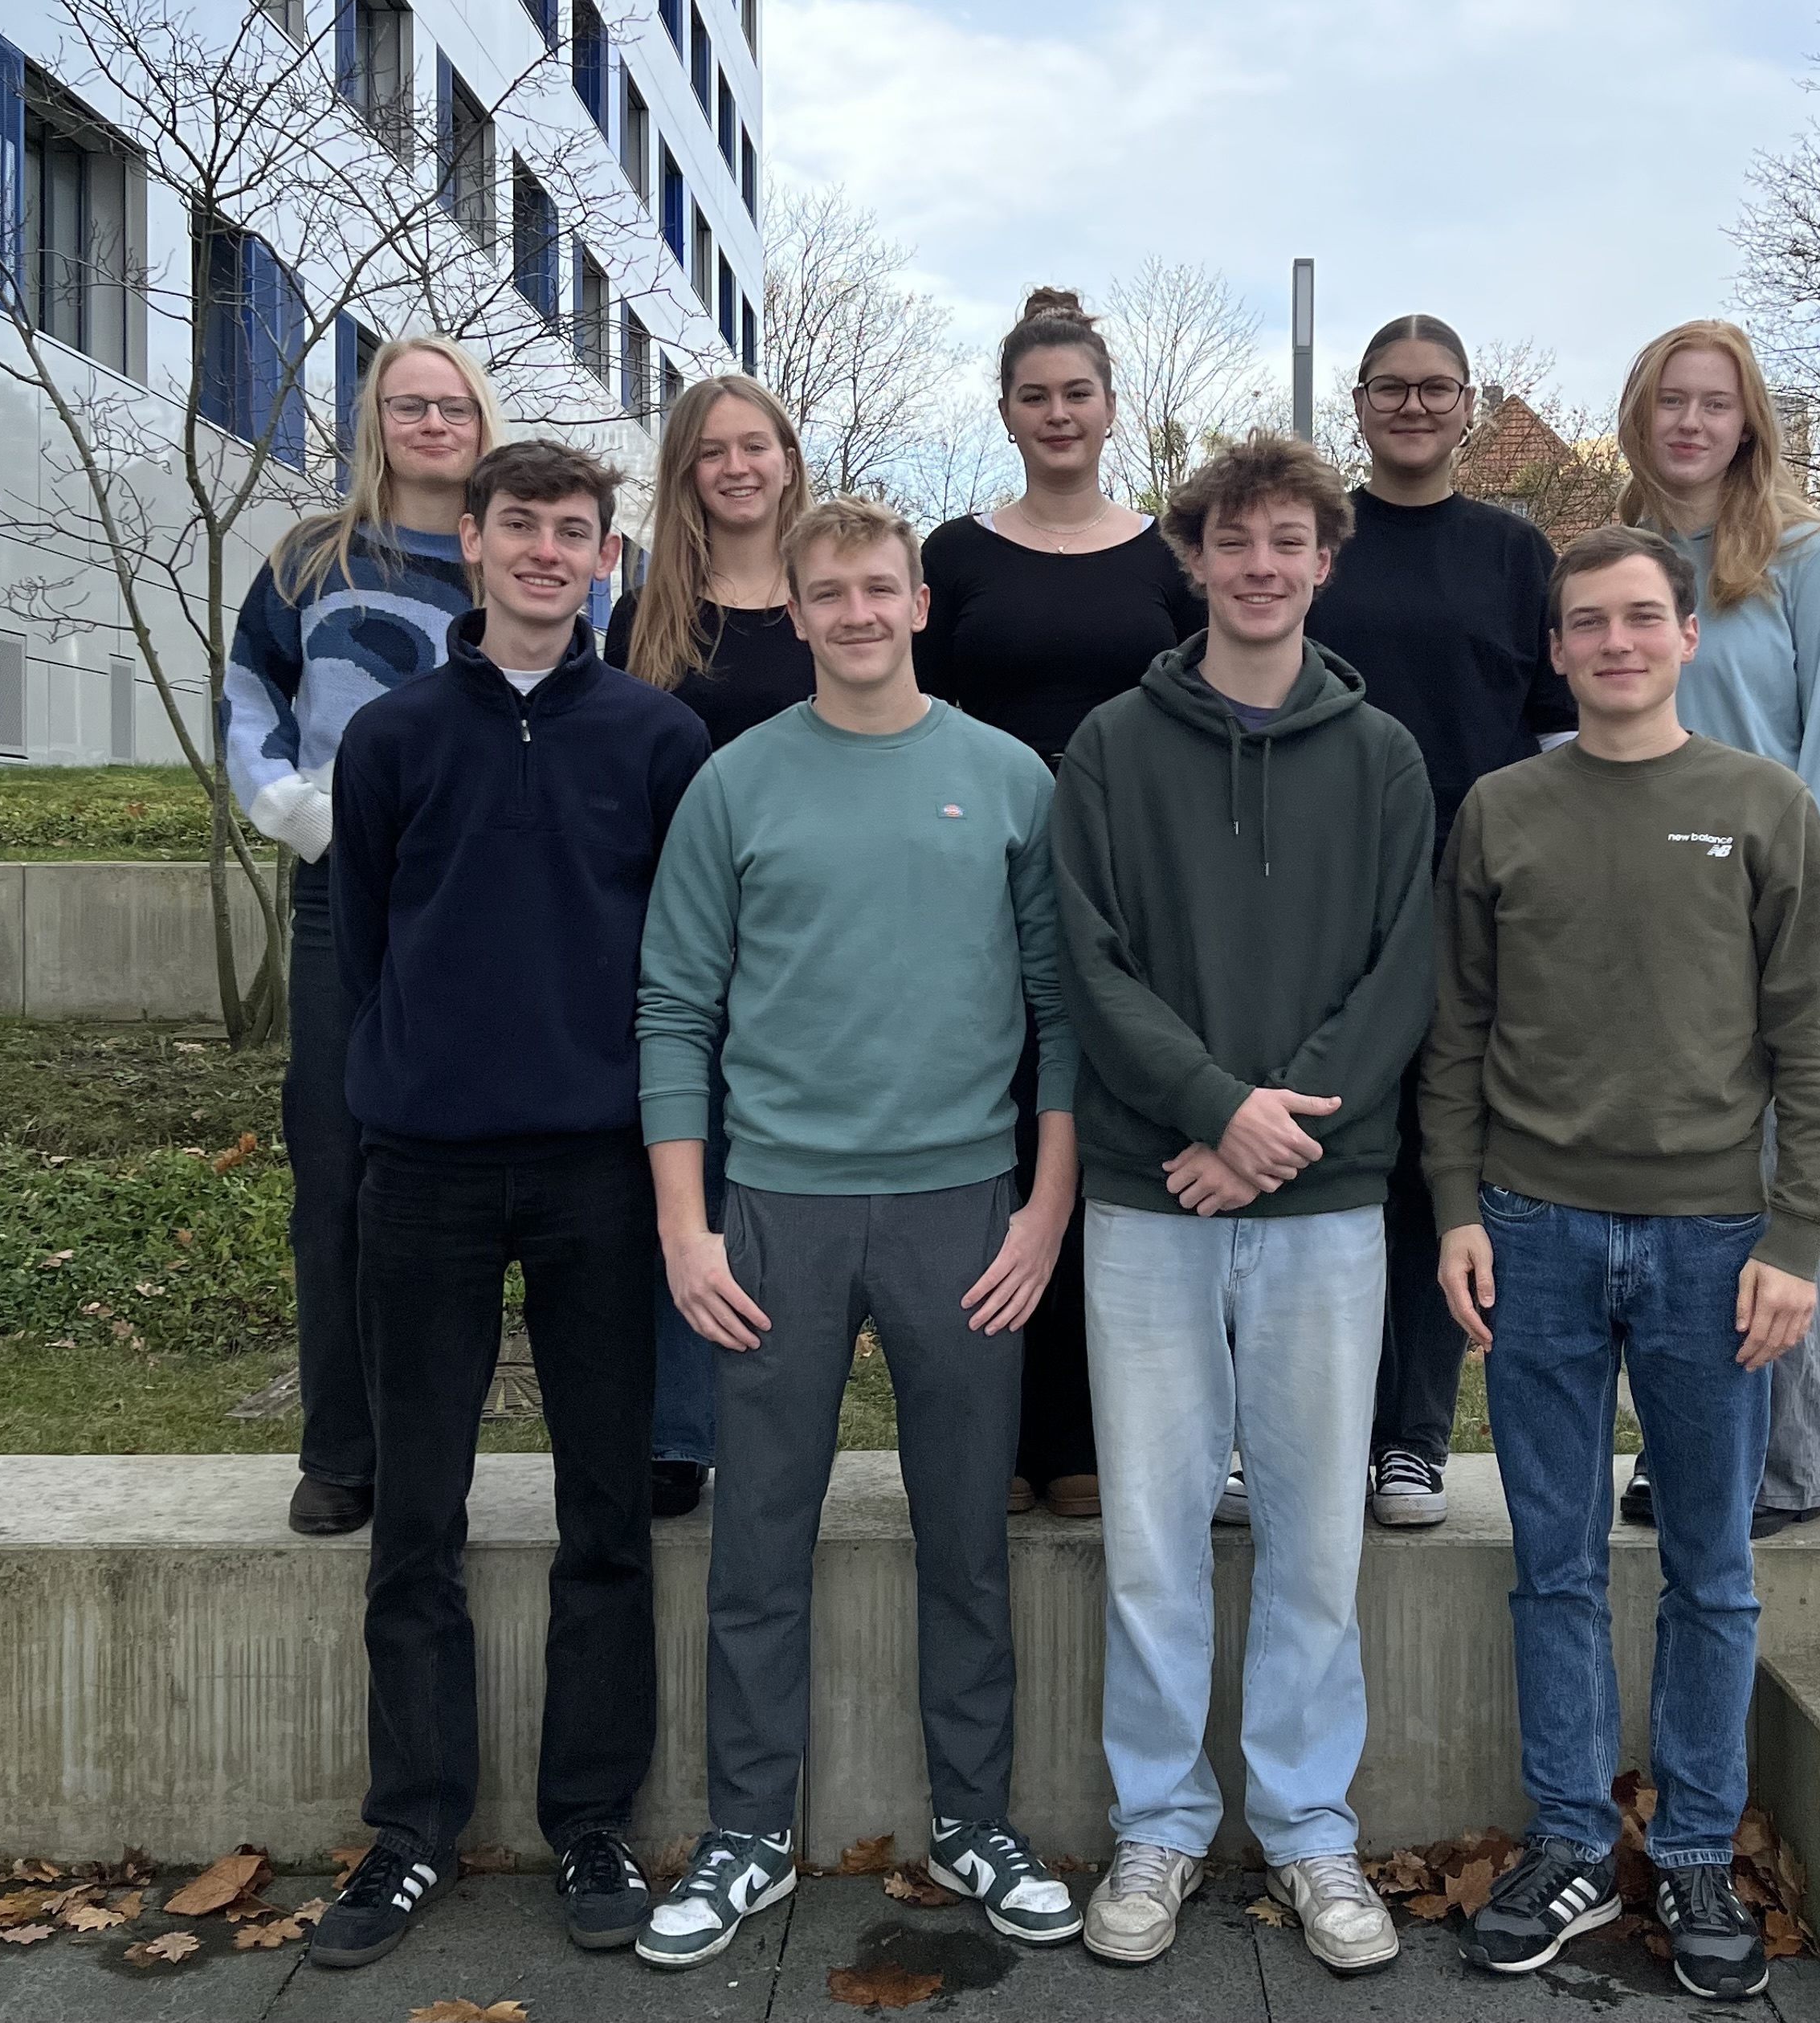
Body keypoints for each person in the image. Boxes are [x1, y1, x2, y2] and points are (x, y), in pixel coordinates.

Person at [635, 495, 1082, 1969]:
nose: (856, 613)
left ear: (919, 603)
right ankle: (748, 1833)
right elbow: (673, 1010)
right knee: (759, 1540)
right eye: (828, 594)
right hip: (778, 1212)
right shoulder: (736, 784)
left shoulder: (1008, 779)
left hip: (965, 1212)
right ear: (798, 612)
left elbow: (1063, 1012)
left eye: (880, 589)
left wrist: (1046, 1207)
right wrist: (688, 1229)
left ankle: (976, 1819)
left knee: (966, 1540)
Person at [306, 442, 710, 1971]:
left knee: (608, 1509)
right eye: (520, 524)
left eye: (575, 530)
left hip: (602, 1165)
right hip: (427, 1170)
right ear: (470, 543)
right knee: (418, 1511)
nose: (548, 550)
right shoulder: (394, 735)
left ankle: (591, 1818)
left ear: (608, 556)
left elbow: (685, 955)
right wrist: (402, 1087)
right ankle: (413, 1826)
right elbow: (366, 941)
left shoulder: (658, 736)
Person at [1428, 525, 1820, 2002]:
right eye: (1588, 623)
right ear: (1556, 649)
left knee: (1711, 1569)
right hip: (1534, 1230)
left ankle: (1695, 1849)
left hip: (1713, 1245)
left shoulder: (1763, 805)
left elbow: (1810, 1043)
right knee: (1551, 1562)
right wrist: (1457, 1208)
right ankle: (1566, 1842)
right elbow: (1457, 1031)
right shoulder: (1500, 810)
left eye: (1641, 618)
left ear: (1685, 636)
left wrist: (1796, 1236)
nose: (1616, 643)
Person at [1053, 433, 1434, 1977]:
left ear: (1324, 564)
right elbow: (1089, 961)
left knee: (1314, 1534)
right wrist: (1214, 1109)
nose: (1261, 566)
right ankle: (1157, 1821)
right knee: (1152, 1534)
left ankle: (1308, 1824)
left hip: (1323, 1205)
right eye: (1235, 541)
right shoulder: (1109, 747)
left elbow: (1403, 971)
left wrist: (1267, 1137)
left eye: (1289, 542)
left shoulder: (1385, 755)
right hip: (1151, 1194)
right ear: (1195, 559)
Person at [916, 286, 1203, 1523]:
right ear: (1005, 413)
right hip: (982, 886)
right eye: (1034, 396)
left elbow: (1202, 719)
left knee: (1106, 1139)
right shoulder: (954, 558)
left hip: (1130, 889)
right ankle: (1000, 1425)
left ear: (1110, 407)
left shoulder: (1171, 559)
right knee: (1001, 1142)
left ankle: (1085, 1432)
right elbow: (914, 723)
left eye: (1077, 393)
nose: (1057, 413)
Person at [221, 335, 500, 1537]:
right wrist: (293, 810)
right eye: (407, 405)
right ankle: (341, 1449)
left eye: (453, 406)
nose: (432, 424)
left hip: (484, 891)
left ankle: (440, 1449)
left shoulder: (516, 552)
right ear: (372, 422)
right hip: (345, 887)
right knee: (335, 1164)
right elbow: (250, 693)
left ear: (482, 421)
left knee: (472, 1180)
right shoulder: (308, 557)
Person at [1305, 313, 1575, 1531]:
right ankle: (1295, 1427)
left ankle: (1410, 1439)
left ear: (1469, 404)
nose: (1412, 406)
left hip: (1471, 902)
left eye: (1436, 388)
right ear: (1358, 403)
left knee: (1434, 1161)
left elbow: (1558, 736)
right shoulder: (1318, 546)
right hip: (1325, 895)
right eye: (1390, 387)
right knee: (1318, 1153)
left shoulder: (1516, 555)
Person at [1614, 321, 1820, 1541]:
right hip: (1651, 931)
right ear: (1640, 413)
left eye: (1715, 403)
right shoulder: (1621, 560)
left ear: (1748, 422)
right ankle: (1689, 1449)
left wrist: (1813, 908)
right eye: (1672, 400)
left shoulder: (1806, 557)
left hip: (1776, 921)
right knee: (1671, 1211)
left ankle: (1785, 1466)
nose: (1691, 423)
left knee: (1782, 1197)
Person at [602, 373, 817, 1519]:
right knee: (690, 1178)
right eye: (712, 451)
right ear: (687, 471)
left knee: (794, 1196)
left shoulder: (830, 600)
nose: (737, 467)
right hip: (688, 937)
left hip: (816, 937)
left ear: (787, 460)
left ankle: (783, 1425)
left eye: (756, 446)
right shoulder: (647, 618)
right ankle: (679, 1430)